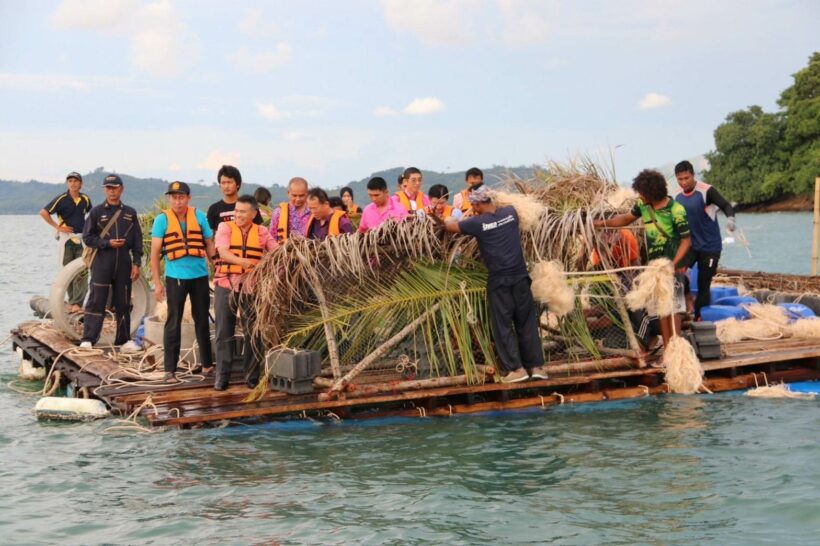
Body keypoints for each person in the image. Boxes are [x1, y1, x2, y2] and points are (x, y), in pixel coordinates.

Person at [440, 186, 546, 383]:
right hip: (521, 277)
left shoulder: (477, 223)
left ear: (478, 204)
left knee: (503, 325)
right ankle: (537, 367)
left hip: (500, 281)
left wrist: (446, 218)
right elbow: (509, 206)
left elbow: (450, 226)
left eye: (473, 205)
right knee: (527, 323)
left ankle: (516, 370)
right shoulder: (511, 213)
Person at [593, 169, 692, 348]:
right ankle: (668, 349)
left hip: (674, 267)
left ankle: (676, 349)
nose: (639, 195)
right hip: (655, 268)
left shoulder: (676, 210)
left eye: (641, 192)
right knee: (662, 309)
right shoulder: (643, 205)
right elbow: (625, 219)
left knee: (674, 309)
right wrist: (600, 224)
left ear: (651, 193)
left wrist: (673, 264)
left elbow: (686, 241)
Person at [150, 181, 217, 383]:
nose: (177, 201)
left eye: (181, 197)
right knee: (173, 322)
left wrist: (218, 271)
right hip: (175, 278)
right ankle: (170, 369)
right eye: (173, 197)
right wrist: (157, 283)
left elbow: (209, 245)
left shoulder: (199, 216)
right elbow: (154, 253)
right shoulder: (162, 220)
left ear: (188, 198)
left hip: (199, 277)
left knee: (202, 320)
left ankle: (207, 365)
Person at [213, 195, 278, 390]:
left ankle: (251, 377)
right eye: (236, 211)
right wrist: (243, 262)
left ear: (253, 213)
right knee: (224, 331)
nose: (238, 215)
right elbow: (223, 252)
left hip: (252, 287)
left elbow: (276, 252)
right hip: (226, 284)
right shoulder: (225, 228)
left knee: (253, 332)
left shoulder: (262, 231)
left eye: (242, 212)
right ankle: (222, 377)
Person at [79, 174, 142, 348]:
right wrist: (107, 243)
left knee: (123, 302)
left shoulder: (130, 212)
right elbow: (87, 237)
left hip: (123, 262)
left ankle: (124, 340)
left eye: (114, 187)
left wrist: (136, 263)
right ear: (104, 189)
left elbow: (137, 240)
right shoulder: (96, 212)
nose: (111, 190)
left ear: (121, 189)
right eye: (108, 187)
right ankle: (88, 339)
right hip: (102, 261)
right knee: (96, 300)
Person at [674, 160, 737, 319]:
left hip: (710, 247)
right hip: (690, 246)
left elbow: (726, 205)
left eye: (686, 178)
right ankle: (688, 298)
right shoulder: (677, 197)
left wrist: (731, 220)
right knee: (674, 274)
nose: (684, 182)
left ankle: (698, 318)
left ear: (693, 175)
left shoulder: (706, 190)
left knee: (703, 283)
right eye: (680, 179)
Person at [39, 171, 92, 313]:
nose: (73, 183)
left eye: (76, 181)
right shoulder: (61, 199)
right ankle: (72, 300)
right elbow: (44, 212)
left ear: (81, 184)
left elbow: (90, 214)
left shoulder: (85, 199)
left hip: (81, 239)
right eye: (70, 181)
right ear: (67, 183)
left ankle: (77, 304)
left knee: (83, 269)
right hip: (66, 239)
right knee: (66, 270)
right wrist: (58, 227)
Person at [206, 165, 262, 231]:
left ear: (237, 184)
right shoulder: (213, 209)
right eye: (223, 183)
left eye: (229, 182)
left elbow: (259, 230)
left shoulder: (249, 206)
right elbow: (211, 235)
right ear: (220, 186)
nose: (226, 186)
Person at [270, 177, 310, 242]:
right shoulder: (278, 212)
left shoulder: (314, 212)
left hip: (310, 250)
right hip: (284, 250)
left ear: (307, 193)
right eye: (294, 195)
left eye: (301, 195)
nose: (298, 199)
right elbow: (272, 237)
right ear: (288, 193)